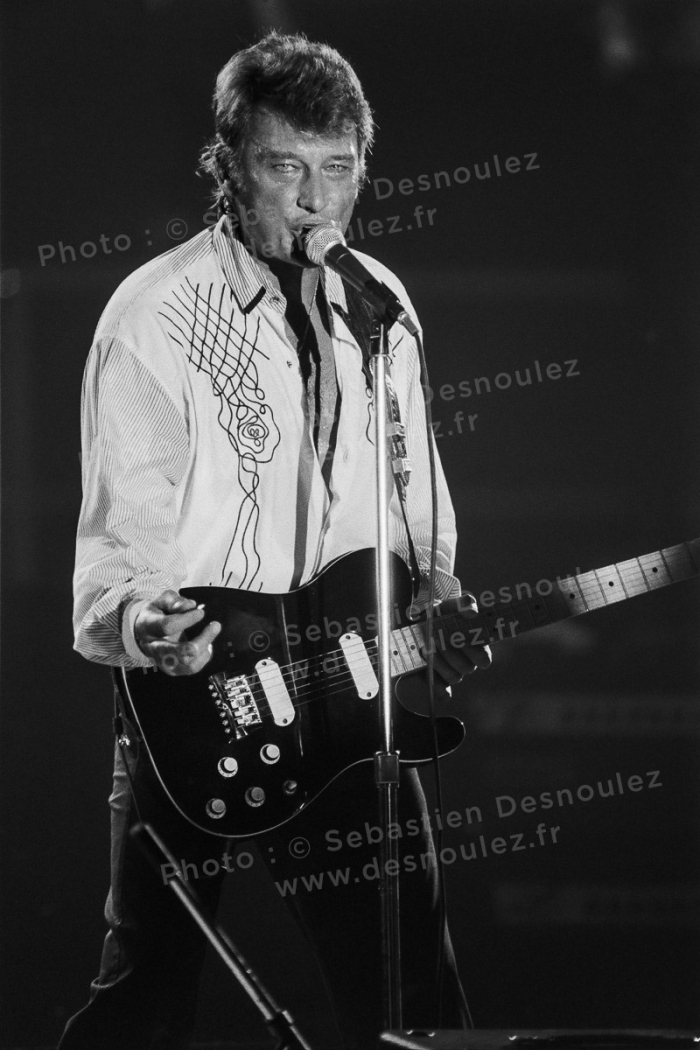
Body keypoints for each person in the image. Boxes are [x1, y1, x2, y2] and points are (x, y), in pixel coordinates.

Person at [58, 32, 491, 1050]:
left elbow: (412, 486)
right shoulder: (157, 312)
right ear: (228, 166)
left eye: (336, 168)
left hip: (348, 698)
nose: (313, 199)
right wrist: (144, 621)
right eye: (283, 167)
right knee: (146, 999)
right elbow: (123, 526)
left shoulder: (380, 306)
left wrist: (436, 581)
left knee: (410, 997)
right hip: (201, 700)